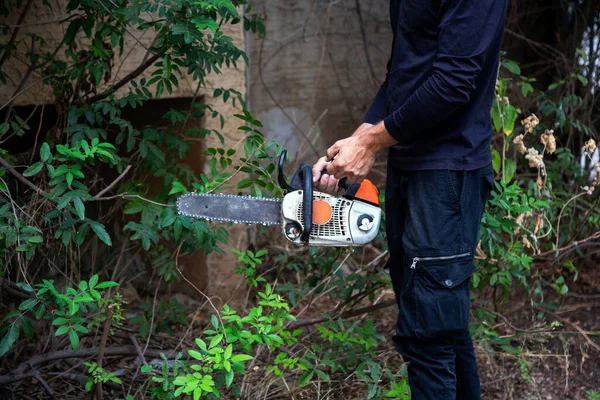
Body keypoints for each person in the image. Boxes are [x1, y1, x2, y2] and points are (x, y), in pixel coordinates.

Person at [312, 0, 508, 398]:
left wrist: (371, 143)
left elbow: (453, 80)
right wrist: (357, 140)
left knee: (428, 336)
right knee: (441, 328)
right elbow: (404, 72)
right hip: (410, 165)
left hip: (447, 172)